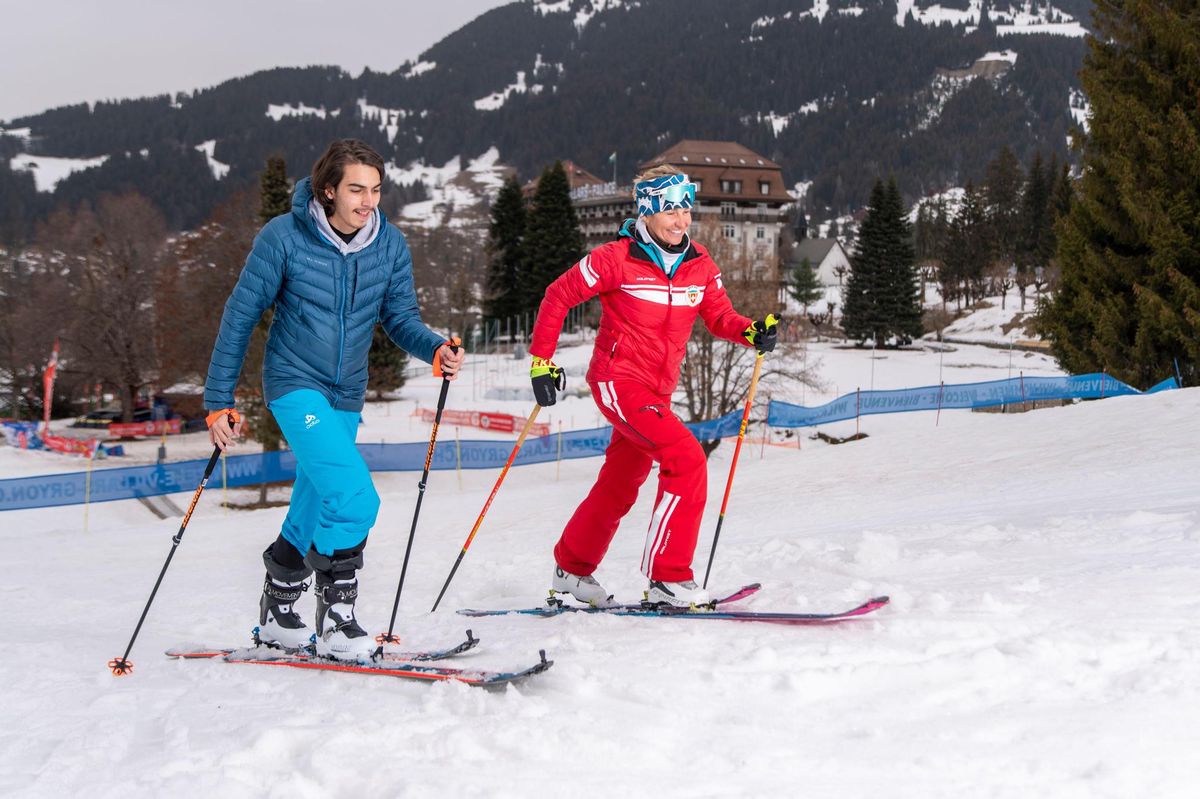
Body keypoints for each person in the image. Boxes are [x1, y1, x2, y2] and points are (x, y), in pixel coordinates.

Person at [203, 139, 464, 660]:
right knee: (354, 498)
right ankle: (337, 617)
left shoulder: (388, 244)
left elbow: (400, 318)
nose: (369, 201)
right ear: (328, 191)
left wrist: (434, 348)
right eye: (356, 190)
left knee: (316, 500)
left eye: (376, 190)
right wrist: (217, 399)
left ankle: (278, 610)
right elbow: (239, 316)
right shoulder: (283, 237)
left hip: (346, 391)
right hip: (294, 382)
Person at [528, 166, 778, 609]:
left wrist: (751, 331)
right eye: (670, 211)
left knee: (621, 483)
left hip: (656, 392)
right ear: (647, 211)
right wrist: (541, 363)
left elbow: (720, 317)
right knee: (686, 458)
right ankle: (668, 577)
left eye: (685, 210)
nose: (681, 221)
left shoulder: (699, 265)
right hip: (618, 380)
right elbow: (557, 295)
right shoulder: (615, 259)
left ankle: (572, 568)